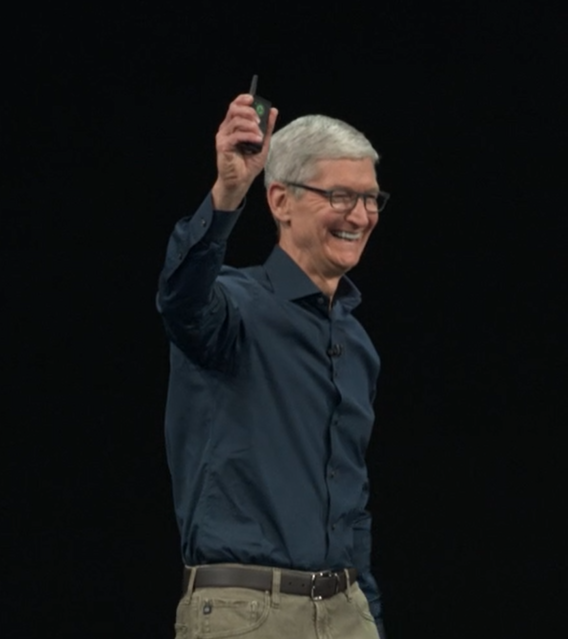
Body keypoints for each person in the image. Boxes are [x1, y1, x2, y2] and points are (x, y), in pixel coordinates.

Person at [157, 91, 390, 639]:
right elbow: (180, 301)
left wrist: (370, 617)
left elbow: (351, 504)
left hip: (346, 610)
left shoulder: (356, 344)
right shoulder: (233, 307)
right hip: (249, 612)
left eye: (371, 198)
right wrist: (228, 191)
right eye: (341, 196)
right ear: (282, 201)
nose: (361, 216)